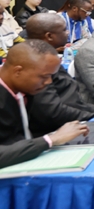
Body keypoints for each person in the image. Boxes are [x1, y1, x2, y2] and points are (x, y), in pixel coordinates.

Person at [0, 41, 89, 169]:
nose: (48, 82)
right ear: (18, 71)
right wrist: (50, 139)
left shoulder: (24, 89)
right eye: (44, 76)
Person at [25, 14, 94, 135]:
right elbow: (51, 111)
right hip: (58, 130)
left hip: (75, 118)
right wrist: (92, 115)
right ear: (49, 36)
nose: (68, 33)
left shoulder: (47, 54)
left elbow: (71, 99)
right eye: (64, 30)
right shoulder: (36, 61)